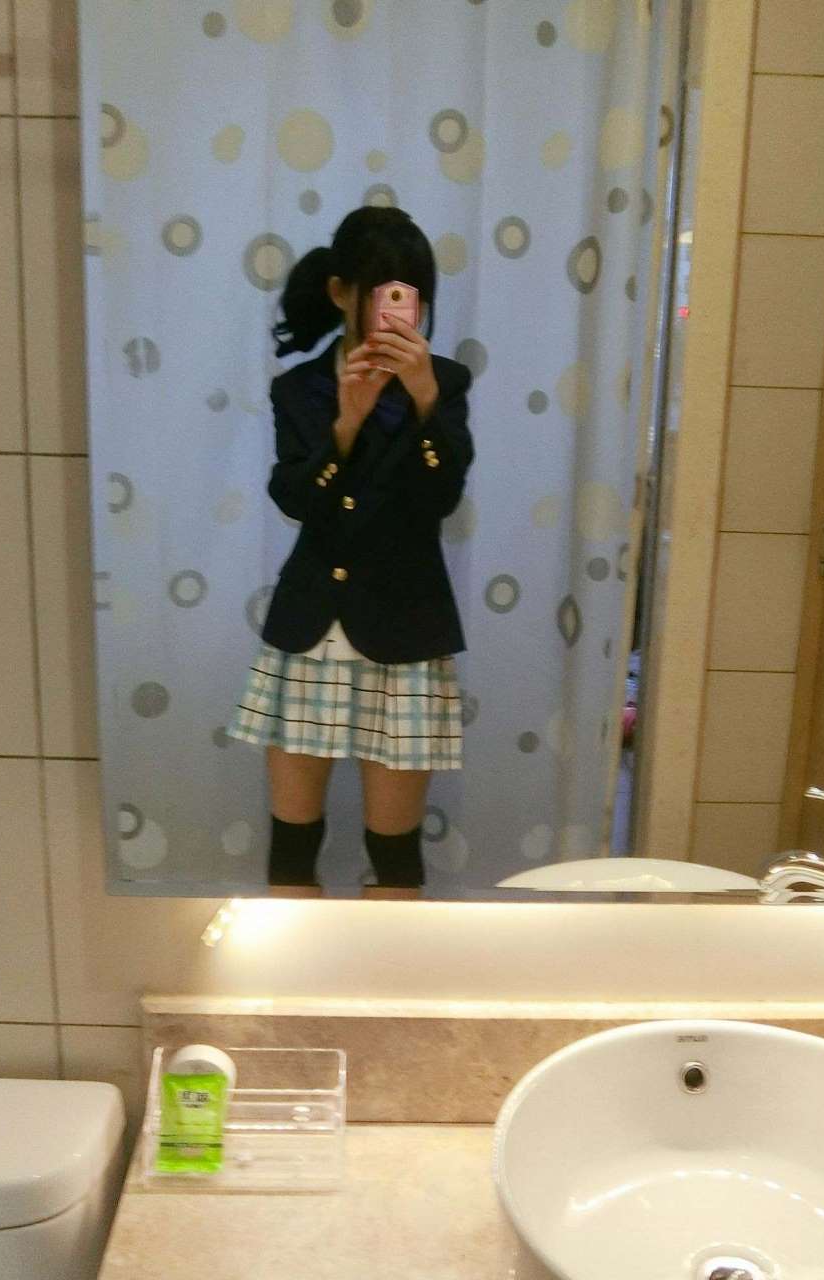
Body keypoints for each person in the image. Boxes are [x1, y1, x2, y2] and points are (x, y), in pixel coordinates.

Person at [226, 205, 475, 891]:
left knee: (394, 852)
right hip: (311, 629)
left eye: (409, 293)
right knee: (292, 845)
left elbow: (443, 498)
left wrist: (424, 403)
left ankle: (388, 963)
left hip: (405, 631)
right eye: (380, 290)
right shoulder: (299, 388)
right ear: (340, 292)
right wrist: (345, 425)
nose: (396, 309)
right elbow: (294, 499)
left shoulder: (445, 383)